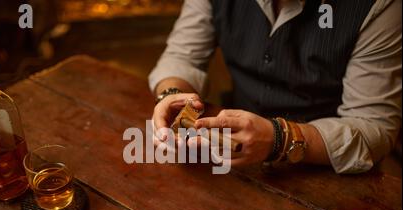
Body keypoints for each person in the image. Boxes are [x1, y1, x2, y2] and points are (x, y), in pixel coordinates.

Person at [149, 0, 401, 173]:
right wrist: (172, 94)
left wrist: (280, 139)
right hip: (235, 158)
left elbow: (373, 126)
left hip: (324, 167)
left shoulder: (379, 6)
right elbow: (182, 57)